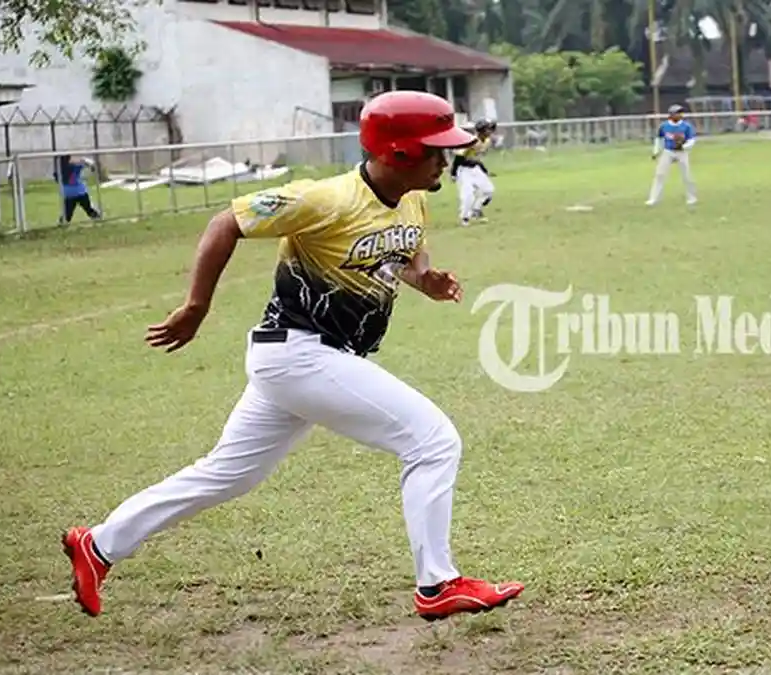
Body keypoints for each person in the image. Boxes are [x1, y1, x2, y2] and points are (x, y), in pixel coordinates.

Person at [60, 90, 525, 623]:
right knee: (433, 441)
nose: (446, 159)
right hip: (299, 355)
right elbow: (225, 223)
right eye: (436, 149)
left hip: (306, 362)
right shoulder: (324, 199)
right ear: (396, 154)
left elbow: (399, 255)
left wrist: (425, 279)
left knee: (227, 476)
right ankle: (438, 584)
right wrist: (196, 305)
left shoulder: (415, 196)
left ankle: (97, 546)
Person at [646, 104, 697, 206]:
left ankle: (692, 197)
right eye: (678, 113)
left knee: (686, 175)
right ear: (672, 114)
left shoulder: (686, 126)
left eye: (681, 113)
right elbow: (659, 139)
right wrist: (656, 151)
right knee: (660, 174)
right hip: (668, 151)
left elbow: (691, 140)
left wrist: (684, 147)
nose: (680, 115)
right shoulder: (664, 126)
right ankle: (653, 198)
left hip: (681, 152)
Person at [450, 118, 497, 227]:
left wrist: (485, 171)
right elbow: (459, 157)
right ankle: (465, 217)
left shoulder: (487, 141)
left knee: (489, 190)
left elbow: (477, 159)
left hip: (475, 169)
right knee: (468, 196)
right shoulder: (471, 141)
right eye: (488, 129)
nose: (490, 131)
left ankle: (476, 210)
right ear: (481, 130)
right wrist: (453, 173)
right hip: (464, 170)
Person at [55, 154, 102, 225]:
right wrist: (91, 165)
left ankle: (62, 223)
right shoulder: (73, 166)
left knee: (67, 215)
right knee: (88, 210)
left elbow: (57, 179)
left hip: (71, 194)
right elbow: (87, 162)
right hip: (79, 193)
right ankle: (98, 218)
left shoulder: (60, 170)